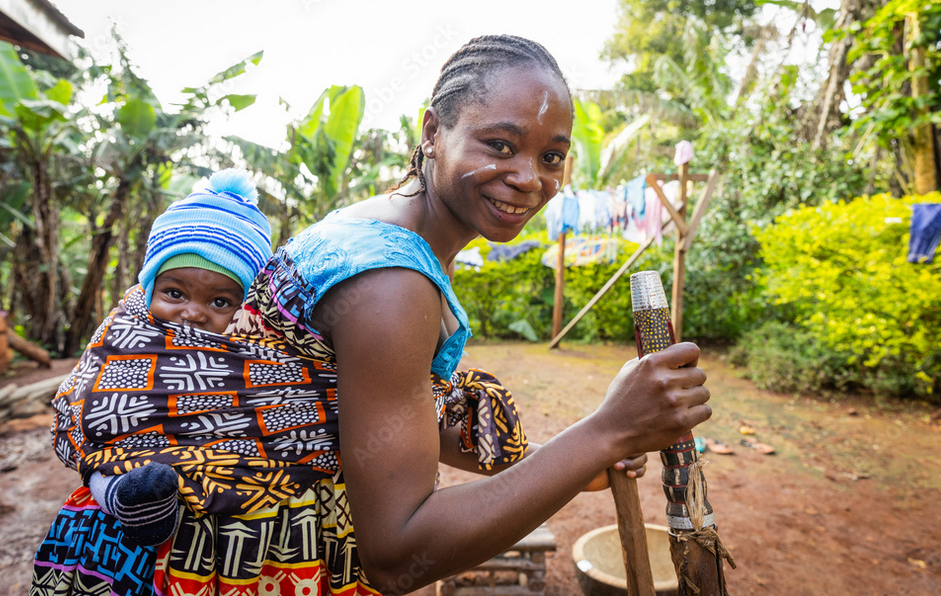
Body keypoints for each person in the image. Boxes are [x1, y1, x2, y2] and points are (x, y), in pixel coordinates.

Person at [32, 35, 710, 596]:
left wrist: (586, 454)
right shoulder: (392, 283)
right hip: (223, 559)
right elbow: (397, 549)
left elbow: (354, 412)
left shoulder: (370, 226)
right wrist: (603, 432)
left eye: (551, 155)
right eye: (499, 144)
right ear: (432, 130)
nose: (529, 176)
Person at [47, 168, 273, 548]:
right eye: (174, 293)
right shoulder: (122, 333)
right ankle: (125, 501)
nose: (194, 312)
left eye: (220, 301)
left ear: (244, 306)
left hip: (224, 512)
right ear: (150, 287)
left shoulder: (256, 354)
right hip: (121, 471)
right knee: (103, 470)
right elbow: (79, 409)